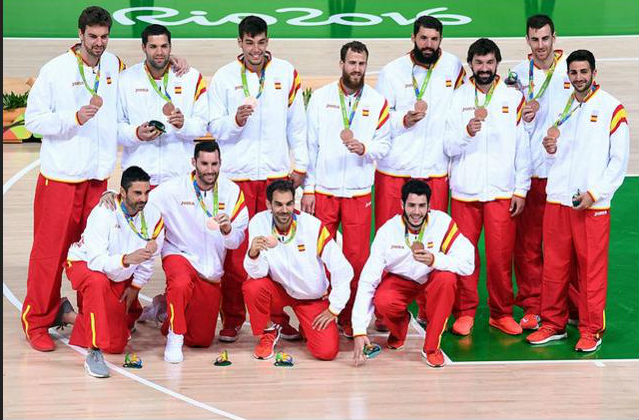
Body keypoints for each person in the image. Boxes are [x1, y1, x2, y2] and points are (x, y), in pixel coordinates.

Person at [21, 6, 188, 352]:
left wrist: (174, 64)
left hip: (97, 182)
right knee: (49, 257)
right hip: (60, 180)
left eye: (104, 37)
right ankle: (37, 320)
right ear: (80, 34)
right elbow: (33, 121)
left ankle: (91, 314)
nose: (99, 43)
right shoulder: (54, 70)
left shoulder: (113, 67)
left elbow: (145, 76)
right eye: (93, 37)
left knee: (96, 254)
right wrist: (73, 118)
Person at [208, 15, 307, 341]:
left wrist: (300, 168)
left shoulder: (286, 73)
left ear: (268, 42)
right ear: (240, 43)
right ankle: (233, 319)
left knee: (277, 252)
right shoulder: (223, 78)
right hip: (237, 178)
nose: (255, 49)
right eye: (249, 43)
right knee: (236, 254)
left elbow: (298, 126)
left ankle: (277, 318)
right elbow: (214, 128)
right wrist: (235, 120)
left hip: (276, 177)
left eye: (261, 43)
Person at [527, 50, 629, 352]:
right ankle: (553, 323)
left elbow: (618, 162)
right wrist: (550, 148)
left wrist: (595, 193)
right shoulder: (563, 106)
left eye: (584, 72)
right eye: (574, 73)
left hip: (591, 205)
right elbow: (562, 154)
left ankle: (591, 329)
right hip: (559, 198)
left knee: (590, 271)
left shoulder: (613, 108)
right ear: (568, 75)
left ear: (594, 73)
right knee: (555, 268)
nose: (579, 77)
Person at [374, 15, 466, 329]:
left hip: (435, 169)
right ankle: (383, 310)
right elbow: (378, 117)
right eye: (423, 38)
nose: (429, 45)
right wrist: (405, 119)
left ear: (441, 40)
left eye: (434, 39)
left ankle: (428, 306)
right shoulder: (392, 71)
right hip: (395, 170)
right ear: (414, 38)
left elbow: (464, 106)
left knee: (434, 242)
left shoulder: (454, 68)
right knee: (389, 241)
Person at [301, 41, 391, 337]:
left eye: (361, 64)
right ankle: (319, 312)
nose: (356, 69)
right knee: (320, 256)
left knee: (356, 259)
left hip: (358, 192)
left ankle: (350, 317)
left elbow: (385, 144)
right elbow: (310, 146)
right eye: (351, 63)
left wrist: (365, 148)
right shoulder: (321, 98)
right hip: (324, 190)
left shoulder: (377, 101)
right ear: (341, 64)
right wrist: (309, 188)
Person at [444, 38, 532, 336]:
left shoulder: (512, 98)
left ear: (497, 64)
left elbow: (523, 148)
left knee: (499, 258)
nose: (484, 68)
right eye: (479, 63)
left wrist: (521, 189)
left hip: (501, 191)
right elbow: (448, 145)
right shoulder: (457, 98)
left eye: (489, 63)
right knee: (465, 255)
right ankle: (465, 311)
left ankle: (501, 313)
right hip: (465, 192)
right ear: (471, 64)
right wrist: (467, 132)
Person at [351, 180, 474, 367]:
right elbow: (368, 281)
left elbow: (468, 263)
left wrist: (435, 260)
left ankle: (431, 348)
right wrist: (359, 330)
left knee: (447, 279)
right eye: (411, 205)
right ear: (402, 205)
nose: (416, 212)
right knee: (383, 300)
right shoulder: (387, 232)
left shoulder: (442, 223)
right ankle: (400, 326)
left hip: (432, 279)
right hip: (402, 281)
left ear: (429, 206)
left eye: (422, 206)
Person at [147, 141, 248, 362]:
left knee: (200, 339)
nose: (210, 170)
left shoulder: (232, 192)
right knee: (180, 282)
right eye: (204, 163)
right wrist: (112, 196)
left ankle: (164, 308)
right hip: (179, 253)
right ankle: (174, 338)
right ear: (194, 163)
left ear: (221, 163)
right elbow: (142, 201)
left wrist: (228, 230)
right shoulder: (172, 189)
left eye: (214, 164)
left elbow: (236, 241)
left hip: (210, 268)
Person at [510, 14, 576, 330]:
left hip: (563, 173)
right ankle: (533, 306)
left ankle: (569, 305)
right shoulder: (517, 75)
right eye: (534, 39)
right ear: (527, 40)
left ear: (555, 37)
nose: (540, 46)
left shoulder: (571, 71)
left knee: (564, 247)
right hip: (532, 174)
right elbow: (511, 125)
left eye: (545, 38)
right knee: (528, 247)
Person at [65, 166, 164, 378]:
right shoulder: (103, 213)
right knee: (97, 283)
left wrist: (136, 286)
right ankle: (93, 352)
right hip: (84, 264)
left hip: (118, 271)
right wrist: (126, 260)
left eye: (146, 192)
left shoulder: (153, 215)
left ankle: (66, 315)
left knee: (117, 344)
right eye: (137, 193)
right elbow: (96, 261)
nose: (143, 199)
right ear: (122, 191)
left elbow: (149, 258)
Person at [243, 180, 353, 360]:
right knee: (253, 287)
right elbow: (258, 273)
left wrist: (334, 308)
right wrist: (253, 253)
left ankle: (305, 325)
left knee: (326, 352)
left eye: (289, 204)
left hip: (310, 297)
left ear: (294, 202)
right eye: (278, 204)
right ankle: (269, 331)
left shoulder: (312, 226)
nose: (284, 210)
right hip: (280, 289)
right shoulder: (259, 223)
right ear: (268, 204)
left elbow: (342, 268)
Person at [118, 24, 208, 187]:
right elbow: (115, 128)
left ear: (170, 47)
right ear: (143, 47)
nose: (159, 52)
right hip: (138, 179)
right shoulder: (125, 80)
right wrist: (136, 133)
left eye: (164, 46)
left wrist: (183, 125)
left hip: (179, 176)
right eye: (153, 47)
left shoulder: (191, 78)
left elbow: (202, 125)